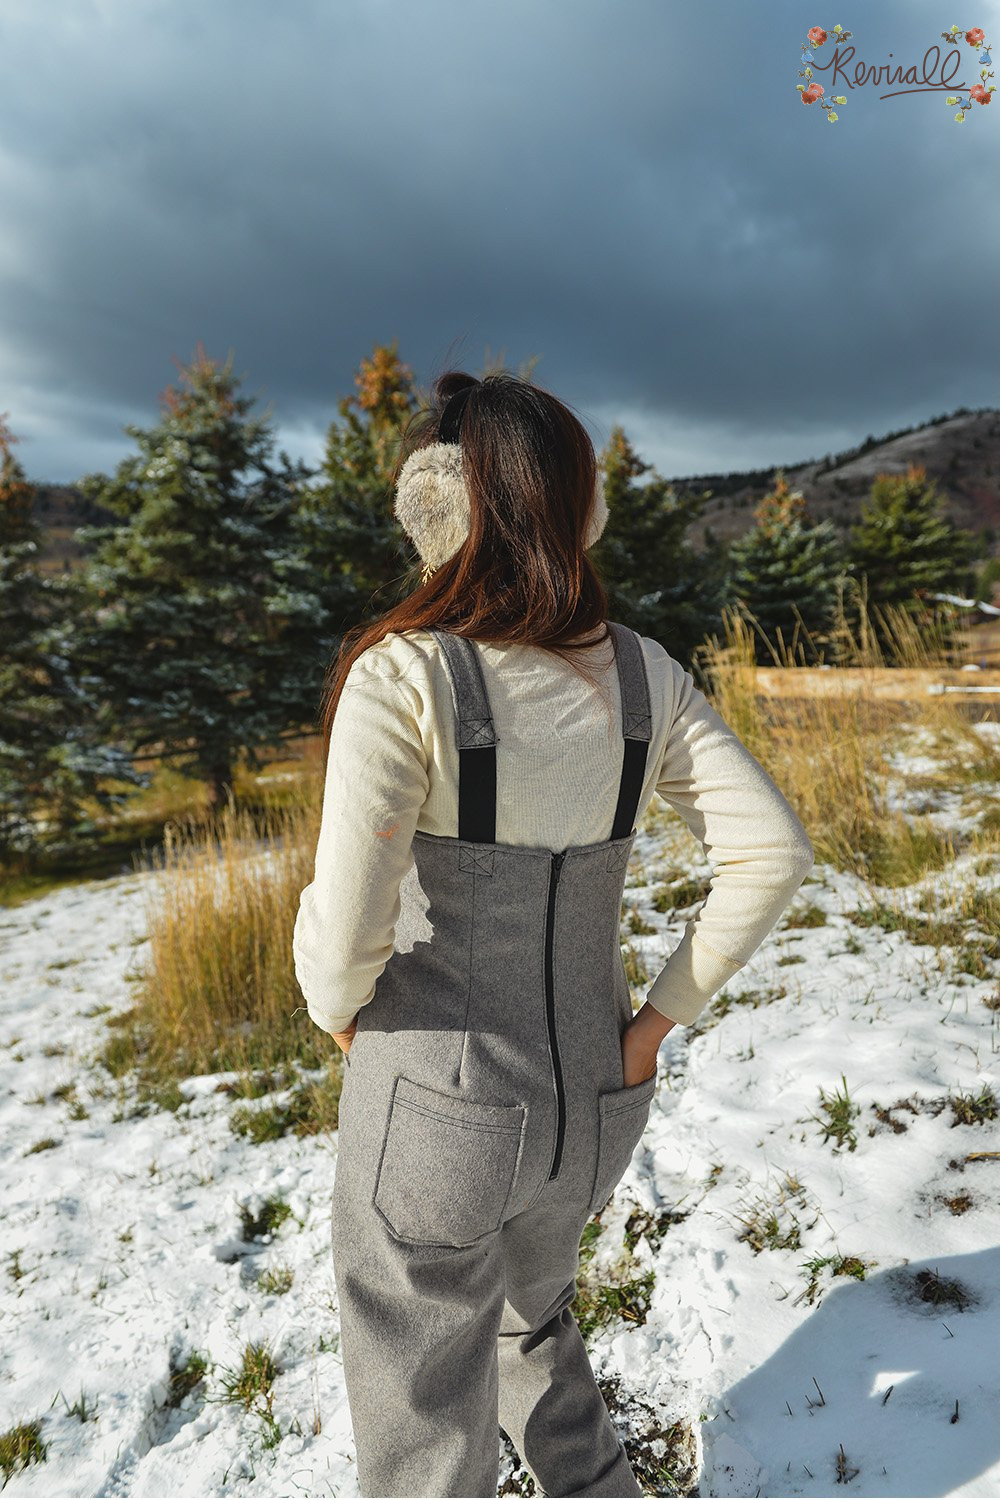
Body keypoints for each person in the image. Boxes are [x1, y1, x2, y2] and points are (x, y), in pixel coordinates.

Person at [293, 370, 814, 1499]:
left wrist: (346, 1026)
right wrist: (650, 1030)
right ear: (581, 508)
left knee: (421, 1419)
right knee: (533, 1334)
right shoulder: (641, 675)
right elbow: (772, 853)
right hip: (595, 1093)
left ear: (441, 503)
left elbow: (343, 938)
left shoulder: (405, 672)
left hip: (435, 1096)